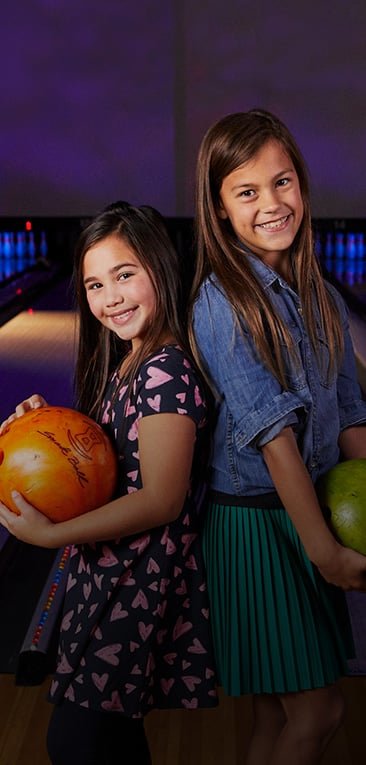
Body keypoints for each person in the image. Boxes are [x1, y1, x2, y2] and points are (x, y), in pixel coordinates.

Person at [0, 201, 217, 765]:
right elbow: (115, 453)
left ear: (160, 267)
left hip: (137, 579)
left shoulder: (166, 367)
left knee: (76, 740)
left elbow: (162, 498)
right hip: (110, 571)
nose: (110, 298)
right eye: (95, 284)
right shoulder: (132, 358)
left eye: (125, 275)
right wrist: (48, 427)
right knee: (110, 738)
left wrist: (49, 536)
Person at [189, 108, 366, 765]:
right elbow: (273, 437)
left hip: (306, 512)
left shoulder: (325, 296)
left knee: (276, 711)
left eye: (283, 181)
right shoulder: (223, 302)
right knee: (321, 708)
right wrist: (325, 551)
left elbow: (350, 413)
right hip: (256, 528)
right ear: (221, 210)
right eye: (248, 191)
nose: (273, 203)